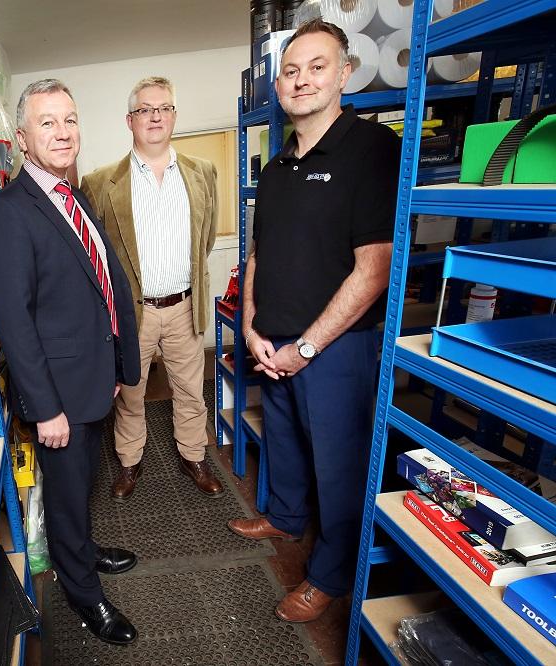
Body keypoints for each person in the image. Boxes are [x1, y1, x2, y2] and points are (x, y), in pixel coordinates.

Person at [226, 19, 399, 623]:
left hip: (337, 349)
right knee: (288, 445)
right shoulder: (276, 169)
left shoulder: (371, 149)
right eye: (292, 71)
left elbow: (374, 268)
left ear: (345, 73)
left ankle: (329, 575)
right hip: (273, 340)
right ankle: (286, 516)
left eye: (317, 67)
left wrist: (307, 345)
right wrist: (252, 327)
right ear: (278, 86)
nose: (302, 81)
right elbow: (256, 257)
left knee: (340, 464)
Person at [0, 79, 142, 645]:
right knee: (67, 489)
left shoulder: (74, 198)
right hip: (59, 394)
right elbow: (16, 321)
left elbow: (100, 286)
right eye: (47, 122)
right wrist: (44, 408)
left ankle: (83, 548)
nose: (63, 131)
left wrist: (120, 365)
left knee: (82, 486)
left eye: (69, 119)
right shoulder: (9, 213)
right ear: (23, 139)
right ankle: (84, 593)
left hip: (92, 377)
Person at [81, 76, 223, 502]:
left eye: (164, 108)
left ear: (174, 116)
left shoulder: (203, 173)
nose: (155, 115)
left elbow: (207, 239)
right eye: (145, 109)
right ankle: (129, 462)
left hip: (184, 306)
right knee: (130, 393)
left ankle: (194, 455)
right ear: (130, 120)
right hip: (133, 313)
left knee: (191, 390)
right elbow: (98, 255)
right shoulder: (101, 182)